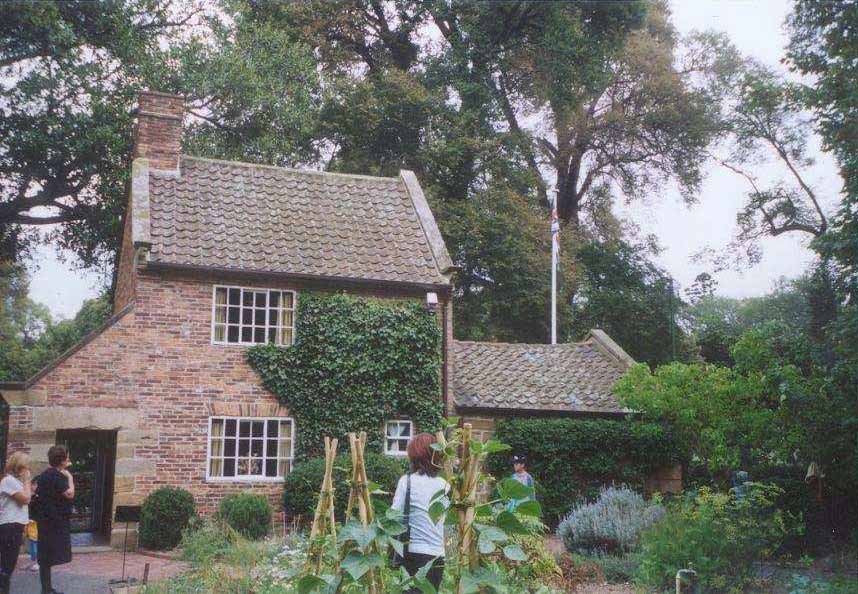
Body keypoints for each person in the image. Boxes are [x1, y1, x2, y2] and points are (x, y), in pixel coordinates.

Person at [391, 433, 449, 593]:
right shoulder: (445, 485)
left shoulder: (407, 481)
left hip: (413, 553)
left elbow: (394, 516)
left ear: (414, 456)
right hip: (438, 556)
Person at [35, 445, 74, 594]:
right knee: (50, 554)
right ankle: (46, 590)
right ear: (62, 461)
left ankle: (46, 589)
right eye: (67, 457)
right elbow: (69, 494)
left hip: (45, 519)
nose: (68, 459)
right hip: (55, 520)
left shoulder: (45, 475)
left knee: (45, 556)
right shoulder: (57, 476)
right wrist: (70, 477)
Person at [0, 452, 33, 594]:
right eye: (26, 467)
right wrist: (27, 481)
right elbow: (26, 499)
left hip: (16, 525)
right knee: (8, 562)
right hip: (9, 525)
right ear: (19, 467)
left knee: (10, 562)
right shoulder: (8, 481)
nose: (28, 470)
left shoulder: (17, 482)